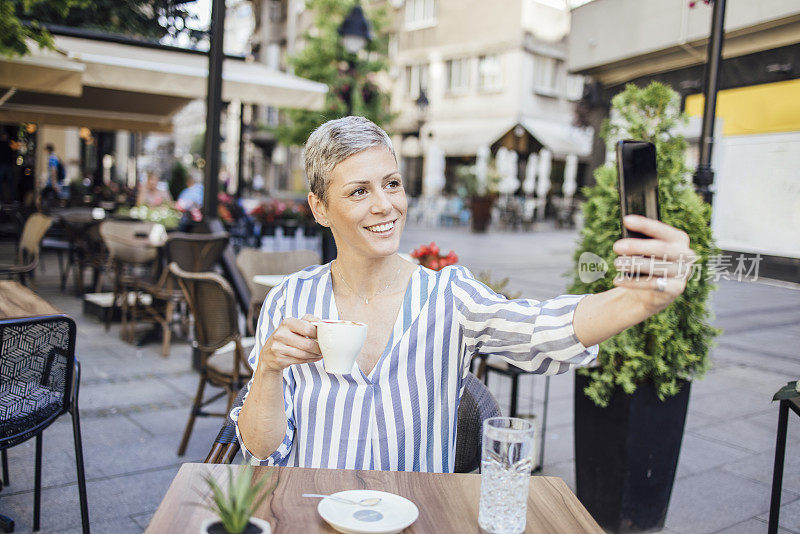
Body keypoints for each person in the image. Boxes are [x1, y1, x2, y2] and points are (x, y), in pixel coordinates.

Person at [233, 116, 695, 473]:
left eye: (391, 183)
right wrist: (269, 371)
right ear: (320, 207)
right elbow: (261, 450)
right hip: (314, 513)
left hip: (417, 518)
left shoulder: (449, 294)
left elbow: (541, 330)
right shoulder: (289, 300)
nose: (385, 205)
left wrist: (638, 300)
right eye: (358, 191)